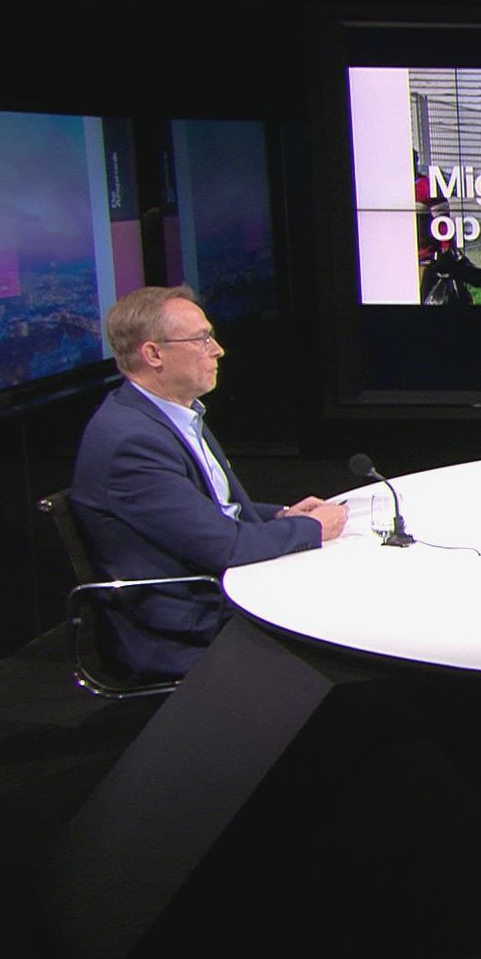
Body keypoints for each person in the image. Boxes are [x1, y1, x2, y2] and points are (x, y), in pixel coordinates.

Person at [70, 286, 348, 680]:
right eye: (201, 339)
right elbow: (223, 546)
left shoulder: (171, 414)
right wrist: (311, 528)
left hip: (212, 593)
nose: (217, 350)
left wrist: (281, 515)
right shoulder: (131, 442)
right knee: (346, 615)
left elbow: (208, 510)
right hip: (186, 622)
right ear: (153, 354)